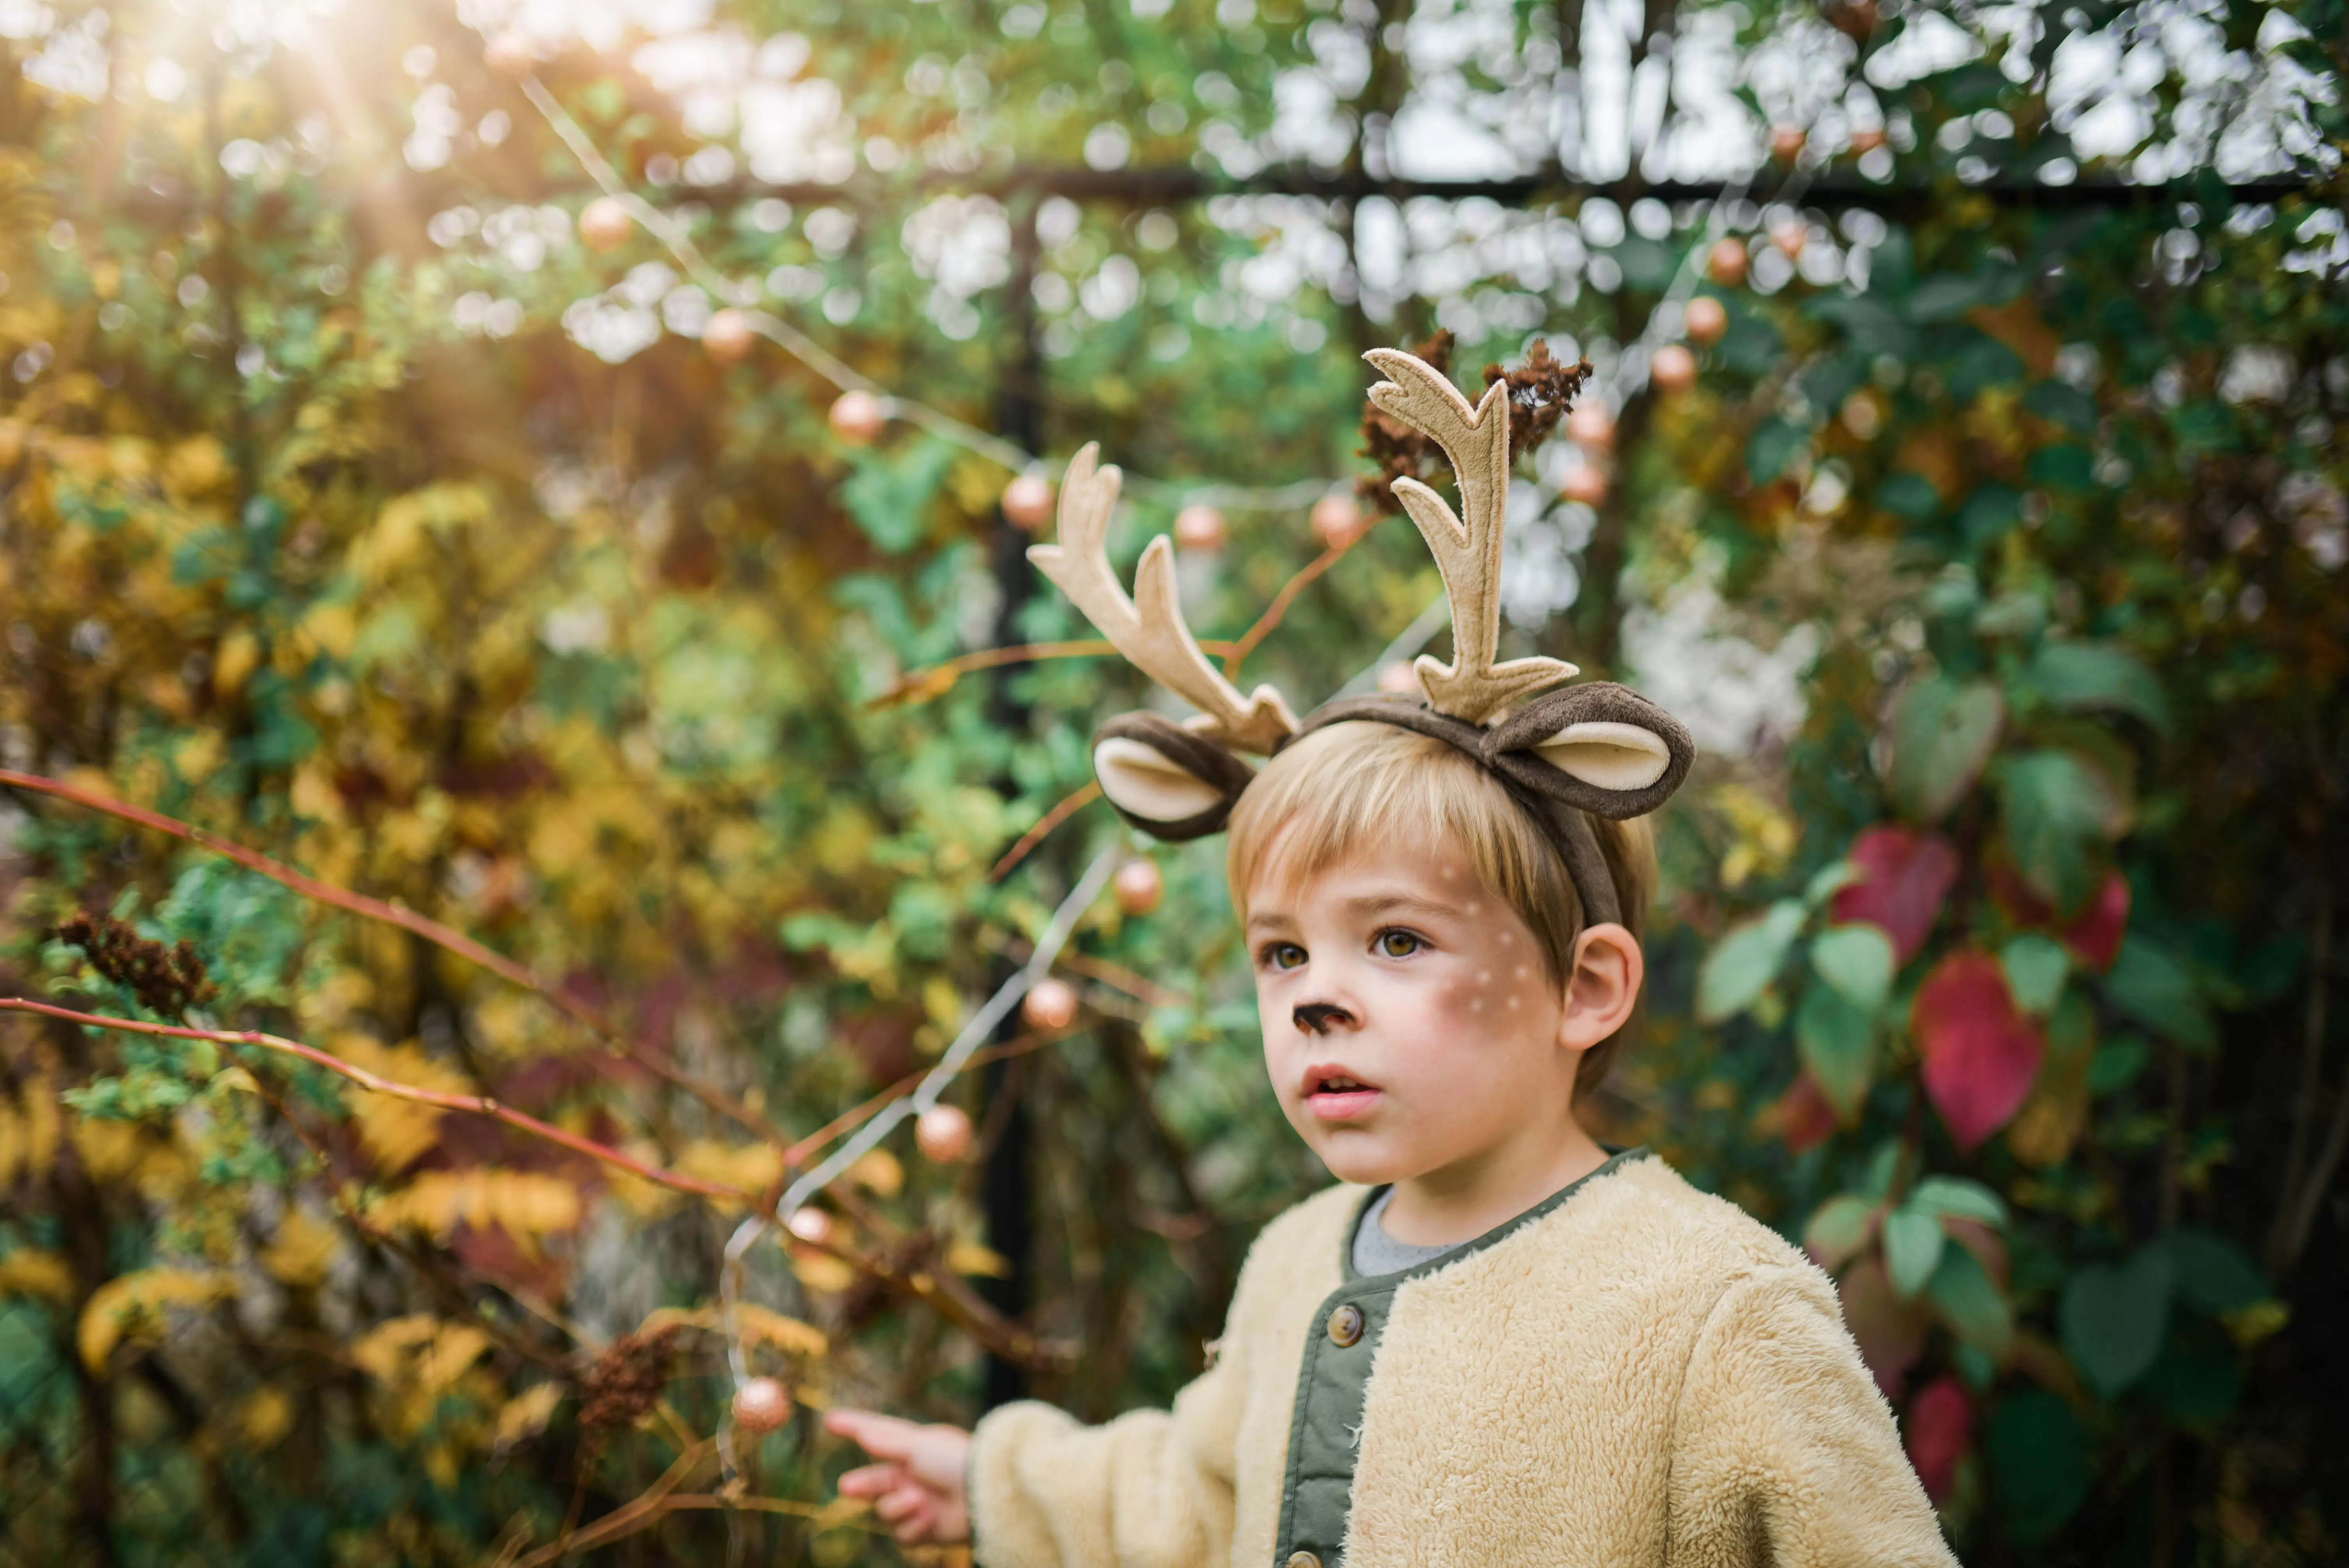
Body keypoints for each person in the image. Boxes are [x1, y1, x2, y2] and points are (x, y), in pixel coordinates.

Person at [823, 348, 1958, 1567]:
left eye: (1399, 939)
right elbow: (1198, 1499)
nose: (1314, 998)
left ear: (1585, 989)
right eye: (1280, 954)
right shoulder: (1297, 1263)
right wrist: (997, 1484)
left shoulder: (1713, 1314)